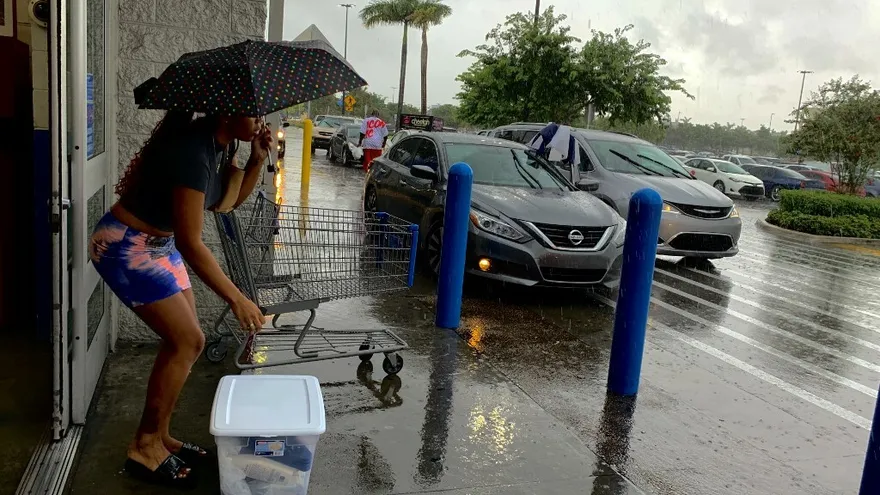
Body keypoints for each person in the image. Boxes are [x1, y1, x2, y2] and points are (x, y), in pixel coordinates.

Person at [88, 110, 271, 488]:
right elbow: (191, 241)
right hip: (126, 246)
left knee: (187, 343)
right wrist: (236, 298)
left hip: (159, 244)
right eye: (252, 111)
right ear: (226, 110)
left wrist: (256, 160)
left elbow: (226, 202)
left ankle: (160, 436)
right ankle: (143, 446)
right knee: (187, 340)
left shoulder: (220, 145)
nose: (260, 119)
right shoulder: (193, 151)